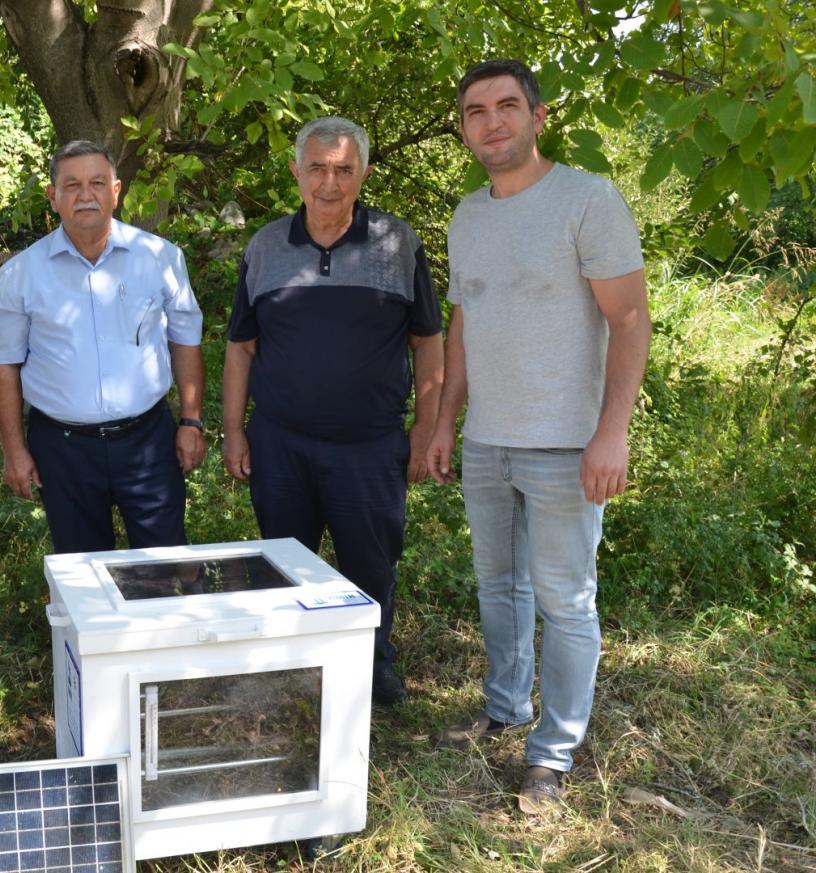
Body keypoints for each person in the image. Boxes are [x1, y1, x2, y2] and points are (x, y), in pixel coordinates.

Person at [426, 59, 651, 814]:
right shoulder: (467, 216)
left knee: (566, 601)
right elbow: (464, 324)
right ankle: (504, 706)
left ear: (538, 116)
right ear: (463, 129)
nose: (492, 121)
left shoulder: (587, 199)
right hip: (489, 441)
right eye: (476, 112)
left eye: (507, 106)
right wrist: (444, 421)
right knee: (499, 587)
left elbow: (629, 319)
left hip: (567, 443)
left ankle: (552, 753)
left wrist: (610, 432)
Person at [222, 116, 444, 706]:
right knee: (285, 564)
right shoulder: (266, 246)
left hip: (370, 446)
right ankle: (293, 667)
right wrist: (232, 431)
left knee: (371, 565)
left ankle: (373, 667)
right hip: (280, 443)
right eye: (317, 168)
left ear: (364, 174)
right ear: (296, 172)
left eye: (344, 169)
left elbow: (428, 341)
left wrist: (426, 428)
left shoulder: (399, 244)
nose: (329, 182)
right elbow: (240, 348)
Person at [0, 141, 206, 554]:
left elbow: (185, 340)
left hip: (148, 442)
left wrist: (192, 422)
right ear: (52, 197)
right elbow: (5, 369)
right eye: (71, 185)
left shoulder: (160, 257)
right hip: (63, 450)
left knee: (167, 564)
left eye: (96, 183)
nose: (85, 195)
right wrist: (14, 451)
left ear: (116, 190)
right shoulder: (20, 274)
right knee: (82, 576)